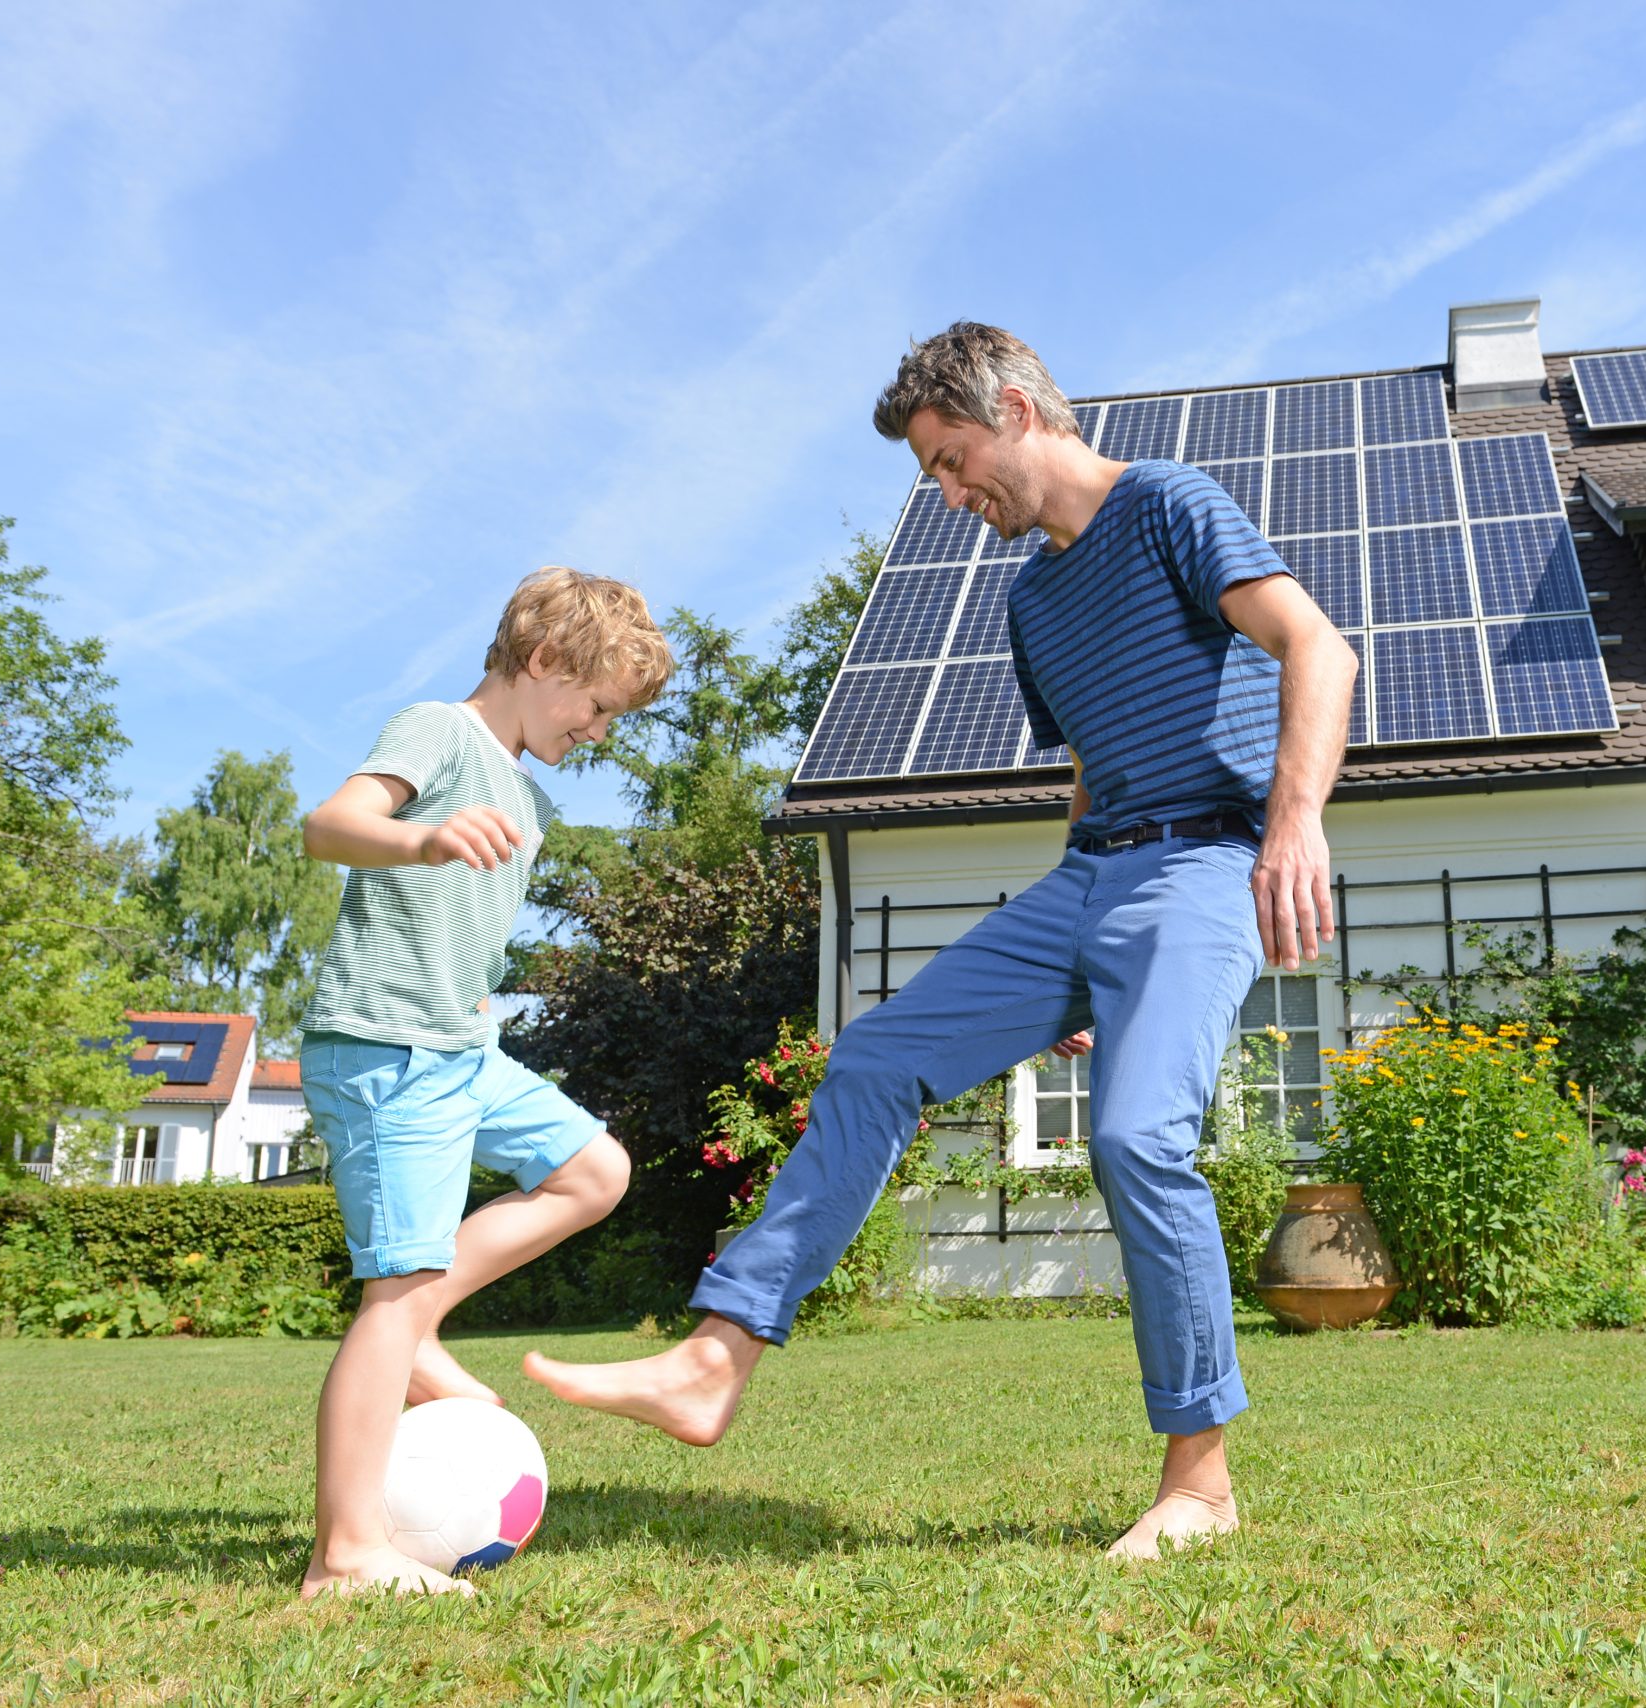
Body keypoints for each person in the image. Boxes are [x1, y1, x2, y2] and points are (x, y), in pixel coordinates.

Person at [527, 322, 1354, 1559]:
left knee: (1136, 1138)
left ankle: (1200, 1480)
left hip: (1204, 862)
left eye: (953, 460)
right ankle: (715, 1355)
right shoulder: (1033, 600)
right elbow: (1092, 774)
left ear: (1019, 410)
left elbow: (1316, 647)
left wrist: (1293, 826)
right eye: (933, 475)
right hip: (1092, 878)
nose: (951, 494)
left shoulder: (1172, 504)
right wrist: (1065, 960)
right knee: (872, 1058)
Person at [294, 567, 673, 1598]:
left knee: (594, 1171)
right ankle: (346, 1551)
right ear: (543, 661)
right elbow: (329, 824)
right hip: (385, 1048)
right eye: (595, 706)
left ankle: (412, 1327)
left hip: (458, 1051)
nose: (598, 729)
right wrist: (418, 835)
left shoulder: (526, 794)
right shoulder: (440, 732)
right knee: (397, 1286)